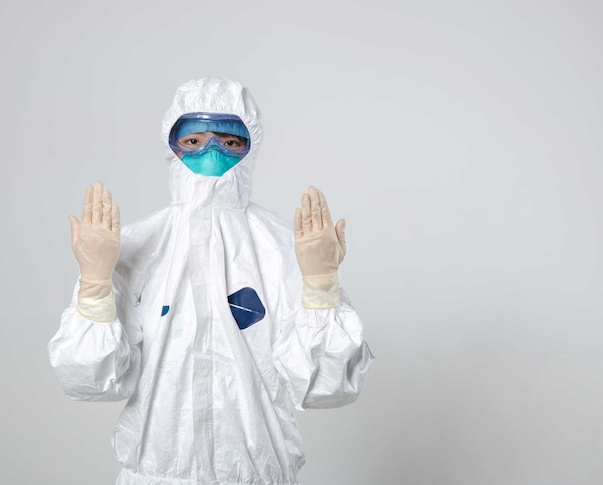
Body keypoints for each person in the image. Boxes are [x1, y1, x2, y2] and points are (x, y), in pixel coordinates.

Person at [48, 77, 373, 485]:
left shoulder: (284, 249)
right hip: (155, 476)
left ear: (251, 146)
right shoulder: (135, 247)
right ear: (171, 145)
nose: (212, 152)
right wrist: (95, 280)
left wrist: (321, 284)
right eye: (195, 140)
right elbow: (90, 379)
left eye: (230, 141)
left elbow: (326, 387)